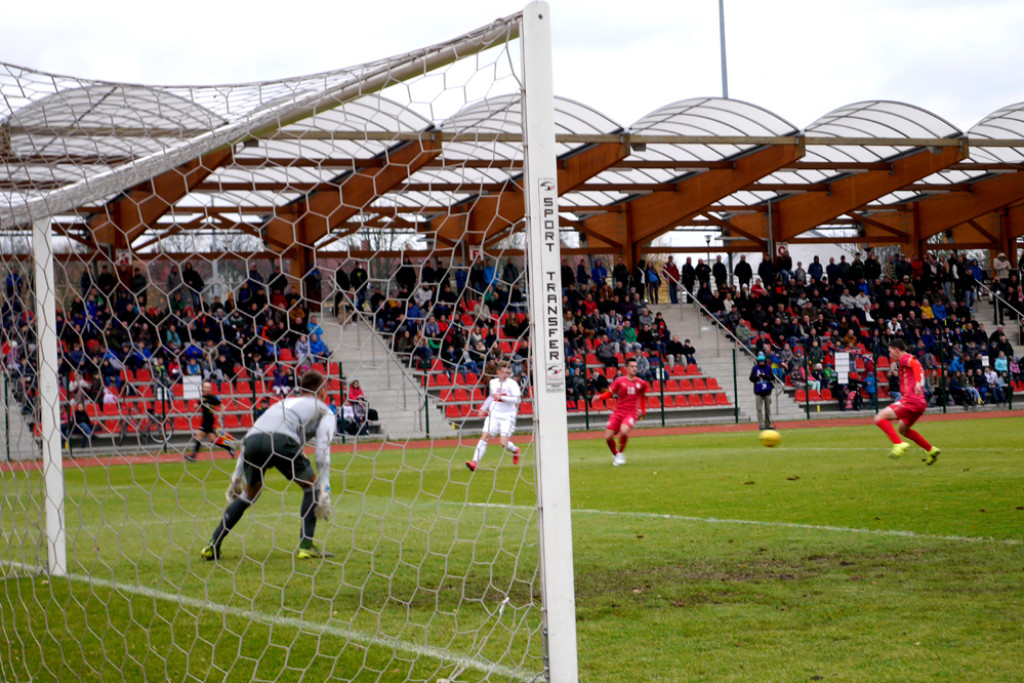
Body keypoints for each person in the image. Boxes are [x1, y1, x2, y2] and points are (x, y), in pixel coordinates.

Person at [203, 369, 336, 561]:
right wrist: (325, 489)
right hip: (282, 440)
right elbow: (322, 449)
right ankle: (305, 546)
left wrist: (237, 477)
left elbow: (251, 435)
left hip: (253, 442)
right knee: (312, 487)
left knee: (249, 494)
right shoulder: (324, 409)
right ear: (322, 391)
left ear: (301, 390)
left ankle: (212, 544)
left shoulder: (282, 403)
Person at [873, 338, 941, 465]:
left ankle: (898, 444)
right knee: (903, 429)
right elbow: (919, 367)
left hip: (911, 400)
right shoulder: (907, 359)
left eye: (890, 351)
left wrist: (918, 383)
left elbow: (916, 366)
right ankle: (930, 450)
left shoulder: (904, 358)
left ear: (897, 350)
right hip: (920, 403)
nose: (889, 354)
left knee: (879, 418)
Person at [466, 363, 522, 472]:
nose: (506, 375)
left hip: (508, 416)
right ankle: (474, 463)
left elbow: (518, 400)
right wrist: (483, 409)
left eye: (508, 373)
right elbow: (491, 396)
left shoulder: (512, 384)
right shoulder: (493, 383)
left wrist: (502, 397)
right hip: (494, 414)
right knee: (485, 436)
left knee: (503, 443)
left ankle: (515, 450)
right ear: (498, 372)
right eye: (504, 372)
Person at [594, 357, 648, 466]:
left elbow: (642, 396)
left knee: (624, 431)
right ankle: (616, 454)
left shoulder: (641, 383)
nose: (634, 368)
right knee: (608, 437)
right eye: (632, 366)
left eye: (636, 366)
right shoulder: (619, 380)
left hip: (631, 413)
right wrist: (599, 397)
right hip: (618, 412)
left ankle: (621, 453)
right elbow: (609, 393)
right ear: (626, 368)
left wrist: (643, 410)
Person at [185, 381, 236, 462]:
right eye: (206, 387)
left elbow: (223, 406)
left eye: (209, 388)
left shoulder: (213, 398)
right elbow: (198, 409)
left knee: (198, 436)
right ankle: (229, 448)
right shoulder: (201, 398)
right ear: (203, 388)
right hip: (205, 420)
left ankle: (193, 456)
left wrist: (220, 415)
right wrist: (196, 407)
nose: (207, 389)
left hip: (209, 421)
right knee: (212, 440)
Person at [749, 353, 775, 430]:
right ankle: (761, 425)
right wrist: (757, 376)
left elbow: (772, 377)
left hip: (767, 391)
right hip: (758, 391)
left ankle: (768, 424)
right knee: (759, 409)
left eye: (762, 361)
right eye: (759, 361)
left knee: (768, 409)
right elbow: (751, 378)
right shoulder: (755, 368)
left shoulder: (768, 368)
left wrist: (764, 376)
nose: (761, 363)